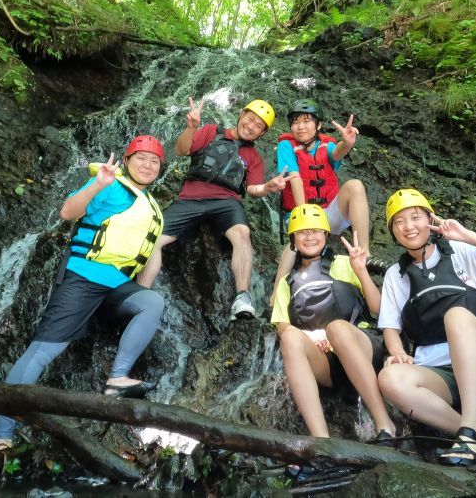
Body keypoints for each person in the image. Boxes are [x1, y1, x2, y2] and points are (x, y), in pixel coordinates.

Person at [0, 135, 168, 450]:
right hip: (83, 277)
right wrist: (97, 184)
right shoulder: (111, 185)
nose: (148, 165)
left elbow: (152, 259)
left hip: (117, 288)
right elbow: (68, 212)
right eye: (141, 158)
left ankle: (118, 380)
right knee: (43, 351)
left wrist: (136, 304)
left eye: (154, 161)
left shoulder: (155, 209)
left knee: (152, 301)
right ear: (127, 161)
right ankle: (2, 433)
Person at [377, 189, 476, 466]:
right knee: (389, 378)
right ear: (393, 231)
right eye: (399, 222)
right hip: (443, 376)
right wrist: (397, 351)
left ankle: (471, 431)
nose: (409, 226)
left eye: (415, 217)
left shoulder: (460, 251)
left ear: (430, 219)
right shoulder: (395, 275)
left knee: (456, 316)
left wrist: (467, 235)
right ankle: (468, 431)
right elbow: (390, 326)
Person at [138, 96, 295, 320]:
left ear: (261, 134)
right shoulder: (211, 131)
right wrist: (191, 127)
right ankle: (140, 293)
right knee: (153, 239)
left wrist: (268, 187)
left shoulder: (254, 156)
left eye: (258, 126)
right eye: (249, 119)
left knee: (242, 233)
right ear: (241, 115)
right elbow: (182, 150)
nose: (251, 126)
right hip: (190, 198)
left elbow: (252, 189)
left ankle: (242, 296)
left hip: (226, 202)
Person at [271, 204, 396, 440]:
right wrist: (310, 335)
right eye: (302, 232)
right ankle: (321, 441)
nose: (310, 236)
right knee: (289, 338)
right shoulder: (287, 282)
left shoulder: (346, 262)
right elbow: (282, 324)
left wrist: (361, 272)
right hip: (327, 362)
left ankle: (385, 424)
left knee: (337, 328)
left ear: (326, 235)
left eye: (316, 231)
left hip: (363, 347)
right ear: (293, 240)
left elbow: (379, 310)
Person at [269, 100, 370, 307]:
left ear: (318, 125)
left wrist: (348, 143)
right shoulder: (286, 146)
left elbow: (337, 153)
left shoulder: (327, 144)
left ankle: (365, 253)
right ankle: (275, 298)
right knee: (293, 244)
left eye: (307, 121)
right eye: (296, 122)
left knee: (355, 186)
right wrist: (304, 215)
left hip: (329, 214)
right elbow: (295, 178)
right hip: (301, 213)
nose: (300, 126)